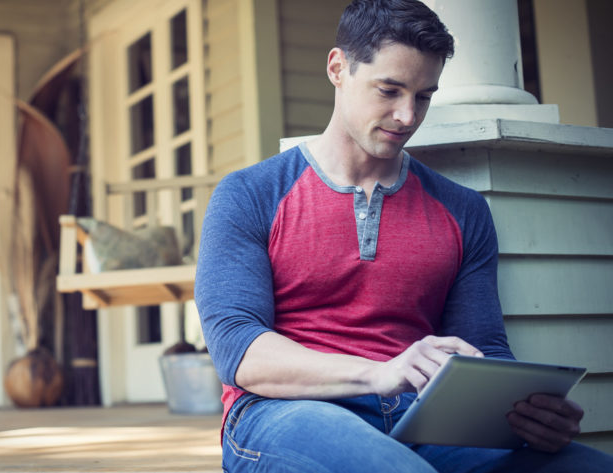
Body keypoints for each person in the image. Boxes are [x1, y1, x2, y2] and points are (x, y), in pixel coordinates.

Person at [194, 0, 613, 471]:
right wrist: (380, 373)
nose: (407, 116)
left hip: (426, 420)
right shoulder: (250, 194)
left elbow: (484, 348)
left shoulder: (463, 210)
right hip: (282, 413)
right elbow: (240, 351)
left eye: (424, 96)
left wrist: (526, 413)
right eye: (389, 90)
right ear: (338, 68)